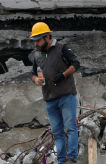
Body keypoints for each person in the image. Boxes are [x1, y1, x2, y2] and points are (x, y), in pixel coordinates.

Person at [29, 22, 79, 164]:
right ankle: (61, 160)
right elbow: (33, 73)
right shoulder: (37, 55)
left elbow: (75, 64)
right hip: (50, 99)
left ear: (47, 37)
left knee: (70, 128)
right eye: (34, 41)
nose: (36, 44)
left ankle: (72, 158)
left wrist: (63, 75)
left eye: (38, 40)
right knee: (57, 132)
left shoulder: (62, 48)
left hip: (66, 96)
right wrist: (35, 80)